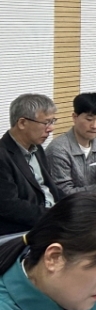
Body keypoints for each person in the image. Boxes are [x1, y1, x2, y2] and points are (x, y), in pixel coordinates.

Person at [0, 94, 61, 235]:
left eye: (53, 121)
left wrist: (75, 204)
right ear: (22, 123)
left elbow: (49, 188)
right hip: (25, 229)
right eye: (46, 123)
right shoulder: (3, 156)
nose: (51, 128)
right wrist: (55, 216)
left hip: (50, 219)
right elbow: (9, 206)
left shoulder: (36, 148)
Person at [46, 92, 96, 195]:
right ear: (75, 117)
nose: (95, 126)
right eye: (89, 119)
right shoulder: (59, 149)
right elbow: (64, 193)